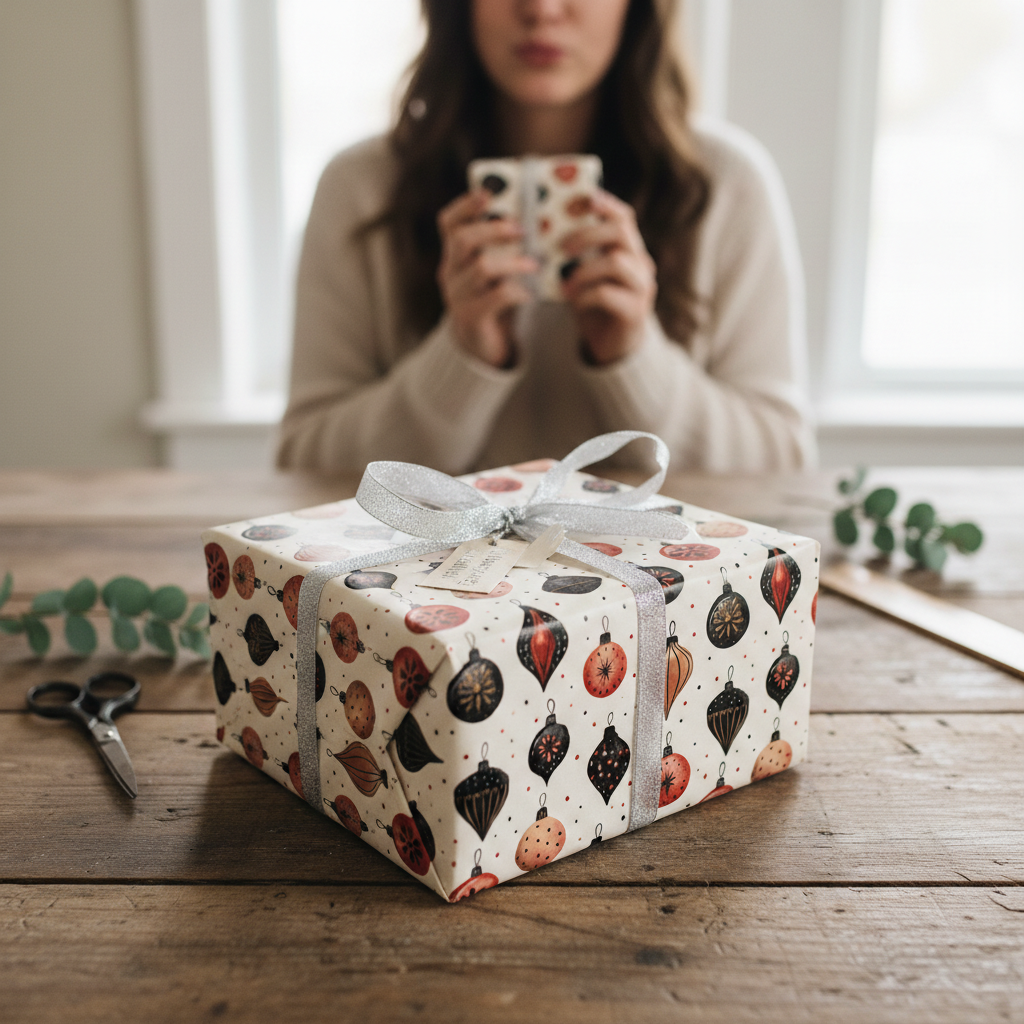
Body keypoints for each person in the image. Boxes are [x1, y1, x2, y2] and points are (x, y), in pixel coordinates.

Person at [277, 0, 815, 475]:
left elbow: (781, 467)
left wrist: (634, 357)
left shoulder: (725, 186)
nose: (542, 8)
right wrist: (463, 357)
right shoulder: (359, 189)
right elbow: (303, 465)